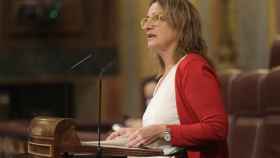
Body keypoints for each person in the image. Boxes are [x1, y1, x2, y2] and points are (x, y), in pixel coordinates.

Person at [107, 0, 228, 158]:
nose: (147, 26)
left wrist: (162, 131)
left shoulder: (192, 66)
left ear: (180, 24)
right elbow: (169, 129)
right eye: (146, 19)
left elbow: (217, 128)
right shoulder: (165, 76)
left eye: (157, 18)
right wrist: (136, 134)